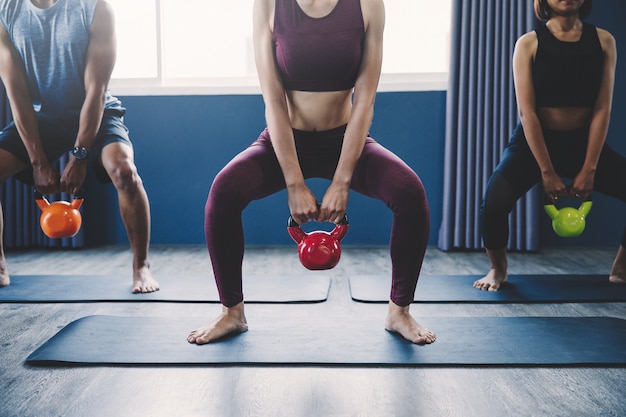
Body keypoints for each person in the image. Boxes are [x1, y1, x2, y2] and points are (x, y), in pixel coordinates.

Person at [188, 0, 435, 345]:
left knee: (409, 192)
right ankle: (232, 312)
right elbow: (273, 101)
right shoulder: (268, 5)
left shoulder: (368, 5)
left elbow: (364, 100)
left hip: (345, 140)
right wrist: (293, 182)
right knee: (224, 191)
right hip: (285, 141)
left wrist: (343, 178)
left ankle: (399, 312)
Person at [0, 0, 159, 293]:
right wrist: (38, 162)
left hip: (96, 109)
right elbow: (17, 93)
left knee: (124, 172)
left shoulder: (94, 8)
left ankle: (141, 266)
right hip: (44, 116)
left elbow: (96, 91)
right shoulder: (6, 11)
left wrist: (81, 155)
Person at [475, 0, 626, 291]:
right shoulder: (529, 43)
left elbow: (602, 109)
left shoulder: (604, 40)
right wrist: (547, 171)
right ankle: (497, 269)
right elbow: (527, 112)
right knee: (493, 204)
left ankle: (621, 268)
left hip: (585, 143)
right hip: (535, 143)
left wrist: (590, 168)